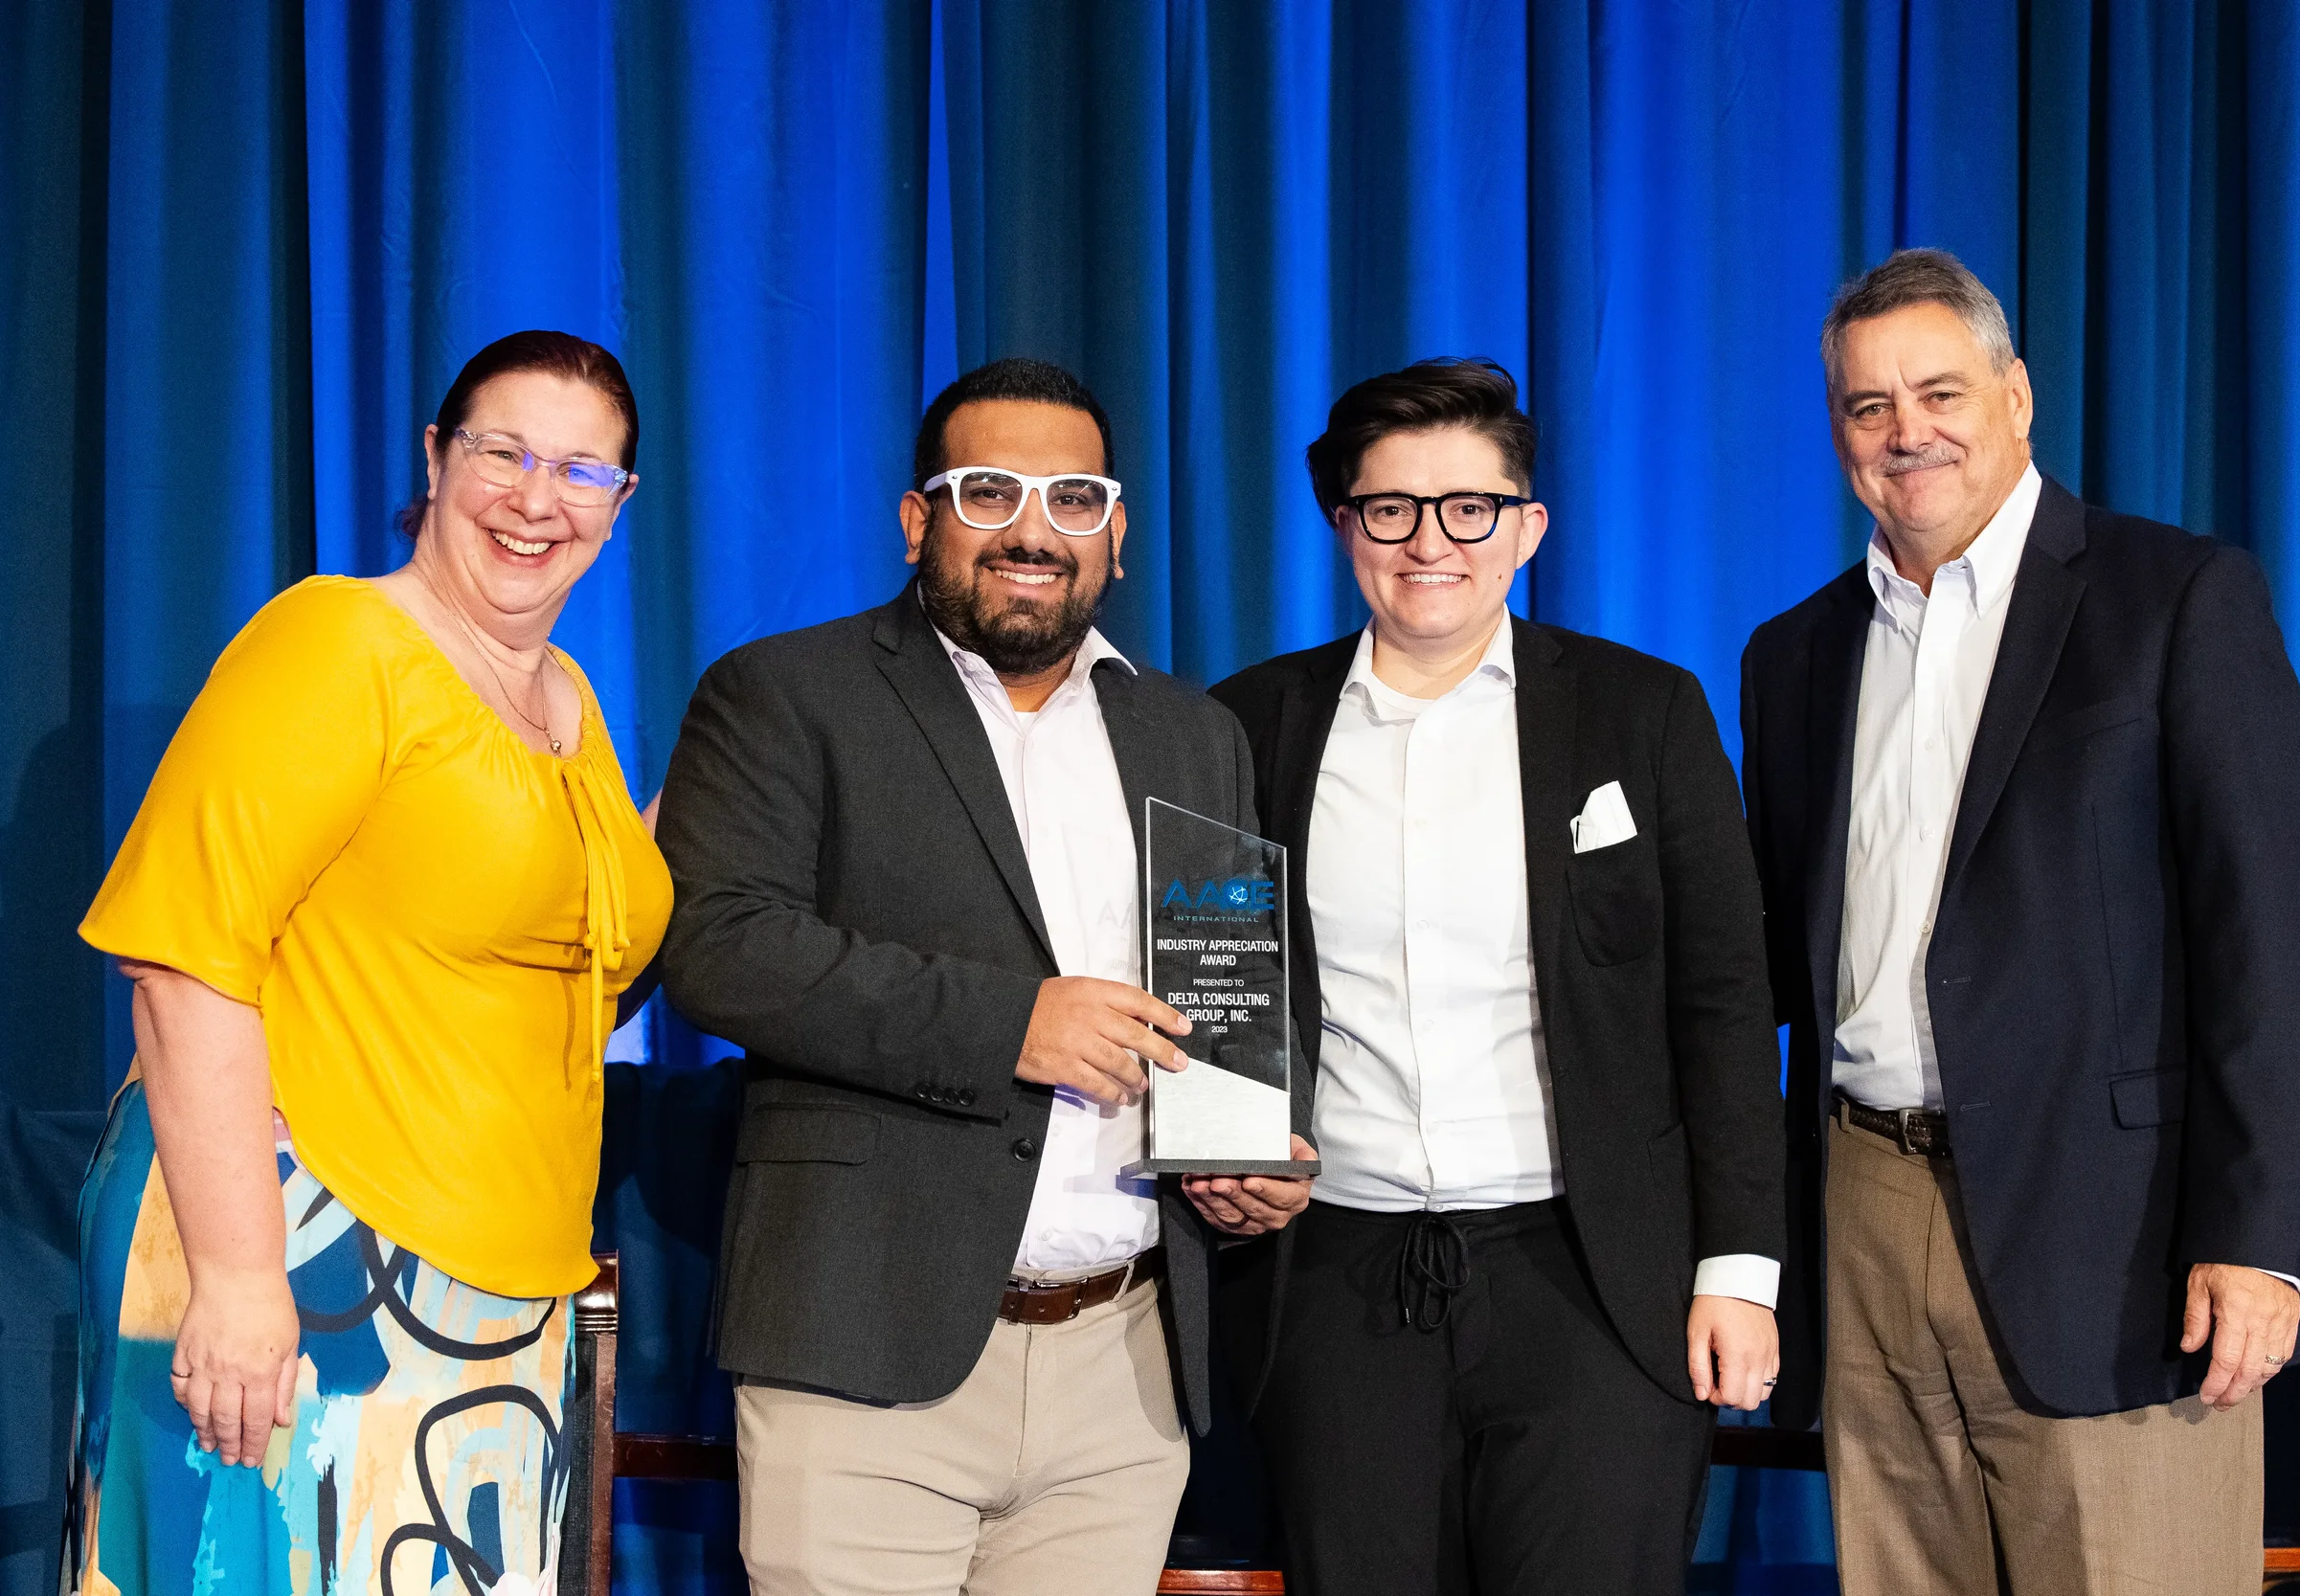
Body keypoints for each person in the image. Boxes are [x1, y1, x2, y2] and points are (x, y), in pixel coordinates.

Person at [656, 357, 1313, 1596]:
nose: (1032, 529)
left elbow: (1241, 984)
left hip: (1123, 1368)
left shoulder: (1192, 732)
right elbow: (718, 943)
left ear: (1115, 535)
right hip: (862, 1340)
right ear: (920, 522)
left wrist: (1264, 1145)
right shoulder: (785, 693)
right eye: (989, 491)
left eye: (1073, 497)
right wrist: (1011, 1023)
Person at [1740, 248, 2300, 1595]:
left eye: (1940, 390)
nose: (1909, 432)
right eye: (1867, 405)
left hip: (2117, 1235)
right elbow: (1776, 959)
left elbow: (2276, 945)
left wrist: (2256, 1239)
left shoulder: (2177, 599)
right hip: (1867, 1205)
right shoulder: (1794, 654)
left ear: (2016, 395)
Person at [71, 330, 670, 1593]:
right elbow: (184, 959)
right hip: (306, 1244)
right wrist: (239, 1276)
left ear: (620, 507)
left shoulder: (565, 698)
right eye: (504, 451)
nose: (534, 497)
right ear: (437, 458)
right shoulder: (336, 641)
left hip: (502, 1283)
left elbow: (550, 956)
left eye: (580, 470)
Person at [1207, 358, 1785, 1595]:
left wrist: (1738, 1270)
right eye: (1392, 507)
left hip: (1592, 1274)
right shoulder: (1248, 724)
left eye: (1470, 505)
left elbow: (1725, 1005)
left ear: (1527, 527)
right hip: (1332, 1280)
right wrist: (1214, 1150)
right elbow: (1213, 984)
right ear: (1342, 524)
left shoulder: (1643, 709)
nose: (1432, 541)